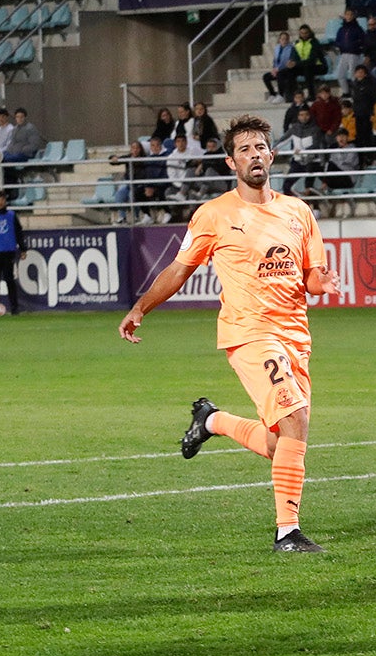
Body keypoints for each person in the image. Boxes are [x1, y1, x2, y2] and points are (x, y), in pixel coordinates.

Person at [117, 114, 340, 553]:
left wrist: (323, 282)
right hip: (250, 332)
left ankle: (211, 420)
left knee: (283, 442)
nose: (254, 155)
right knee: (294, 418)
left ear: (272, 156)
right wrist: (141, 307)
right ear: (230, 162)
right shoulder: (214, 215)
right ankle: (287, 533)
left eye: (260, 147)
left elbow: (311, 275)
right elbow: (180, 270)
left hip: (296, 335)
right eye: (244, 150)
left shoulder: (299, 212)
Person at [0, 189, 26, 315]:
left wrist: (23, 249)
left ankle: (14, 308)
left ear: (5, 201)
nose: (0, 201)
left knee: (9, 280)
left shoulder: (11, 215)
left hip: (8, 252)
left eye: (2, 199)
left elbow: (18, 232)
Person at [263, 31, 298, 104]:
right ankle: (272, 94)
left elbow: (289, 62)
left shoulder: (291, 49)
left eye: (286, 39)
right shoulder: (277, 48)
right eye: (282, 39)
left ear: (288, 40)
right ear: (279, 40)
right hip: (278, 69)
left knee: (280, 74)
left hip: (287, 70)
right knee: (266, 77)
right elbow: (275, 60)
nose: (284, 41)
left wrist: (278, 69)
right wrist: (274, 69)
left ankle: (281, 95)